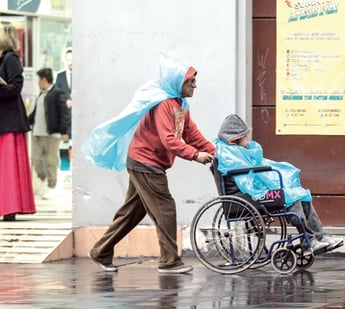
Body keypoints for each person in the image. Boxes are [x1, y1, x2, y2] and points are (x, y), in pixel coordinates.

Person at [87, 56, 215, 273]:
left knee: (132, 213)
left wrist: (214, 151)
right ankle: (169, 261)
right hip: (146, 162)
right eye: (190, 81)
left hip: (146, 162)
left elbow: (191, 133)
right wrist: (196, 155)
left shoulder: (181, 104)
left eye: (194, 80)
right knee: (165, 209)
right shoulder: (165, 104)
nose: (195, 85)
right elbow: (170, 140)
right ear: (178, 83)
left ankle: (101, 251)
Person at [215, 114, 343, 253]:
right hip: (247, 197)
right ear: (235, 139)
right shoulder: (230, 155)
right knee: (291, 198)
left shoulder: (235, 151)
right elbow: (247, 181)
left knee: (301, 195)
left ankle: (319, 236)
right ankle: (309, 240)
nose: (248, 139)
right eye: (245, 136)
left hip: (250, 194)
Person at [0, 21, 36, 221]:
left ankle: (10, 208)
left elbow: (15, 88)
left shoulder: (11, 58)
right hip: (4, 120)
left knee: (8, 166)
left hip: (10, 122)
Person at [29, 68, 70, 200]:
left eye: (39, 80)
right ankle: (43, 180)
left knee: (51, 161)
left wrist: (64, 131)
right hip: (37, 134)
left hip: (52, 134)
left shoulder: (57, 93)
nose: (38, 83)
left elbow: (63, 114)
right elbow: (35, 113)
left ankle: (52, 186)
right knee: (36, 160)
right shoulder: (40, 94)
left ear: (44, 80)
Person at [55, 47, 72, 137]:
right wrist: (65, 102)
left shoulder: (82, 76)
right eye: (68, 60)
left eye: (72, 59)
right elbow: (57, 95)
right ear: (64, 60)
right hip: (64, 120)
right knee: (64, 149)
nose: (70, 62)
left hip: (78, 120)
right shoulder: (59, 76)